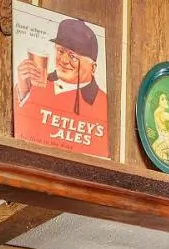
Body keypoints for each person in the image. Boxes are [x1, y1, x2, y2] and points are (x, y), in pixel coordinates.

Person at [15, 17, 109, 156]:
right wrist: (22, 90)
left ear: (93, 67)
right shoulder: (36, 82)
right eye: (60, 51)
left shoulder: (101, 103)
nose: (63, 60)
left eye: (73, 56)